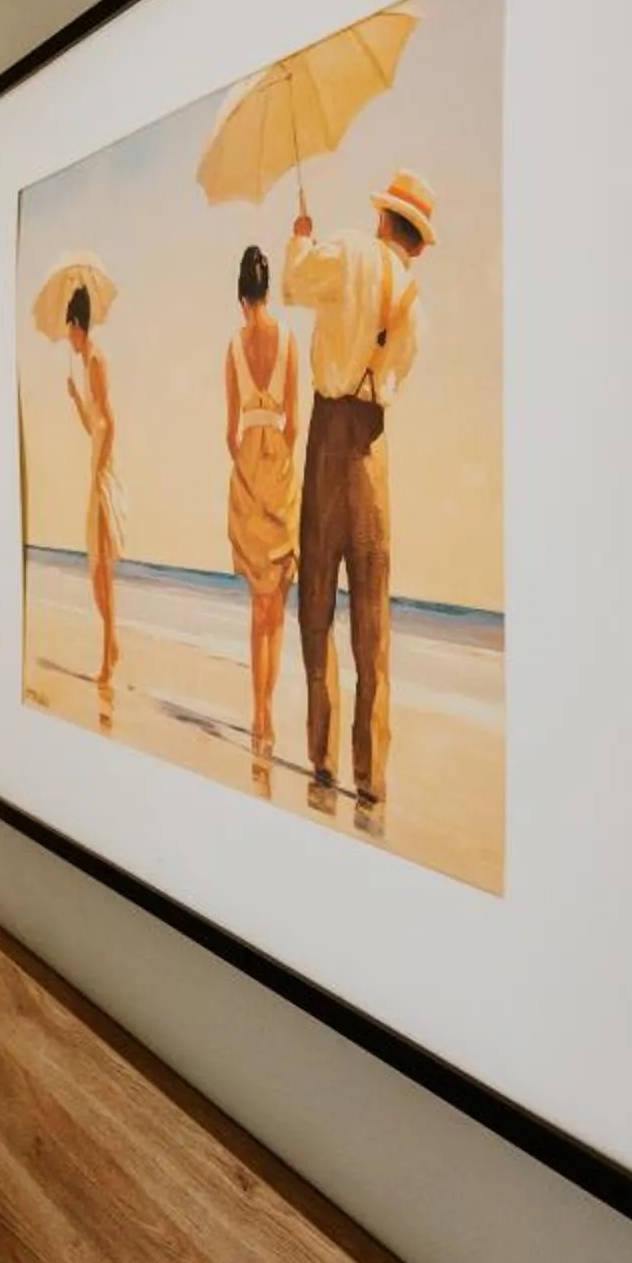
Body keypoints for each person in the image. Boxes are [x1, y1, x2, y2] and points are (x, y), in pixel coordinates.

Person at [283, 169, 435, 805]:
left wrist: (299, 238)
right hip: (373, 450)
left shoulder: (346, 251)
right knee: (372, 620)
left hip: (326, 439)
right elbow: (397, 373)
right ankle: (371, 776)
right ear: (416, 241)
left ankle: (322, 760)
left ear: (381, 218)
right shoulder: (413, 302)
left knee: (316, 604)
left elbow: (295, 284)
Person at [220, 245, 299, 771]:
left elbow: (229, 432)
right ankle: (268, 715)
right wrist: (276, 465)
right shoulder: (290, 341)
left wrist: (250, 464)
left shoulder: (232, 347)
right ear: (267, 291)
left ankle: (260, 716)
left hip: (249, 472)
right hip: (281, 477)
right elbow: (295, 424)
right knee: (278, 612)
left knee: (257, 610)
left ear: (240, 296)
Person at [63, 283, 125, 700]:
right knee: (94, 570)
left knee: (103, 566)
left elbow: (110, 421)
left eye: (70, 328)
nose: (68, 336)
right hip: (95, 466)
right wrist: (73, 400)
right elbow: (92, 425)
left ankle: (107, 659)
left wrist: (102, 467)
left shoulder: (97, 360)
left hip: (103, 471)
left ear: (77, 325)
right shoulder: (84, 365)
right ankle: (112, 644)